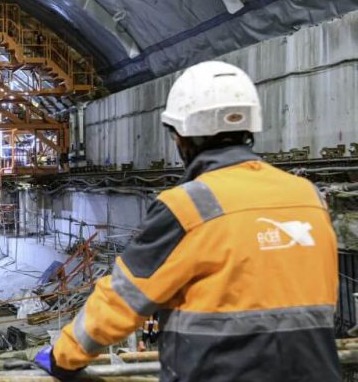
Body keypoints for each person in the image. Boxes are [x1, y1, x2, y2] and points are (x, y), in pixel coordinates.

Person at [35, 61, 339, 381]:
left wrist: (63, 356)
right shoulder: (309, 198)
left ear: (180, 135)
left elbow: (122, 299)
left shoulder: (189, 206)